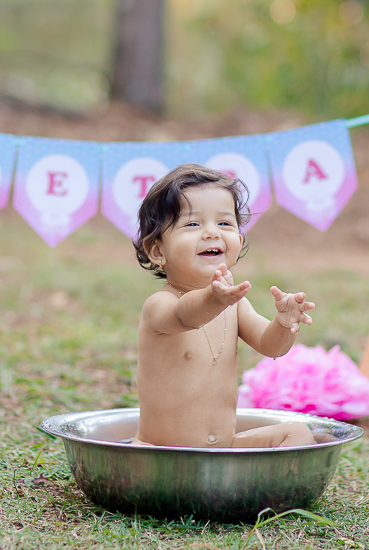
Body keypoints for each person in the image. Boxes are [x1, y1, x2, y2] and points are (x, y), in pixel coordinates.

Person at [132, 163, 316, 447]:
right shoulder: (159, 305)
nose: (211, 233)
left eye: (225, 223)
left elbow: (272, 347)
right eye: (193, 224)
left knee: (299, 434)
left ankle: (261, 488)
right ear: (157, 250)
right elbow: (185, 316)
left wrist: (283, 323)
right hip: (161, 454)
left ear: (238, 240)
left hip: (222, 451)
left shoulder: (234, 304)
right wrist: (213, 298)